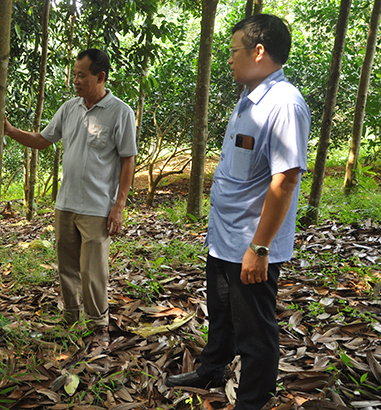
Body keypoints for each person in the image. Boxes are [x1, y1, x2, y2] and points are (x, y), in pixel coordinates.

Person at [166, 14, 311, 410]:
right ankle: (211, 368)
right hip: (225, 237)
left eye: (233, 51)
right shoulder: (250, 97)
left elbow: (285, 181)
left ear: (258, 52)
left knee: (255, 331)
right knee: (222, 314)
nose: (228, 59)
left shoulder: (284, 105)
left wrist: (260, 248)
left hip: (251, 242)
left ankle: (251, 400)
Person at [4, 49, 137, 351]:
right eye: (74, 74)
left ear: (100, 77)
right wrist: (10, 131)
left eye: (81, 75)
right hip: (66, 205)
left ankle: (98, 326)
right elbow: (42, 140)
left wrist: (119, 206)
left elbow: (128, 160)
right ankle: (72, 319)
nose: (75, 80)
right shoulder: (69, 108)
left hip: (97, 207)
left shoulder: (120, 112)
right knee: (67, 267)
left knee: (93, 272)